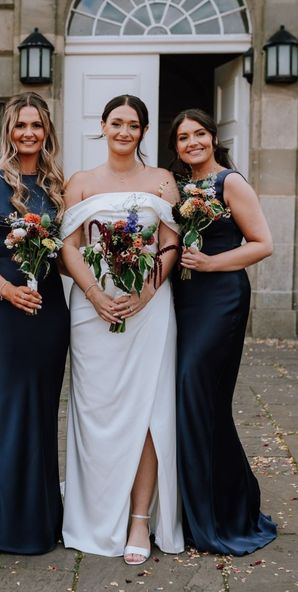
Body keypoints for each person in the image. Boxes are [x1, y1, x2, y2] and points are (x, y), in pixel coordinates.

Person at [60, 94, 184, 564]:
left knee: (148, 408)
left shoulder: (162, 181)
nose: (124, 131)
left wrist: (147, 292)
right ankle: (92, 510)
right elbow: (69, 246)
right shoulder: (81, 182)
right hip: (94, 308)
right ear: (103, 126)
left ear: (144, 132)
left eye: (133, 125)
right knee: (96, 410)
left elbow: (171, 241)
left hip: (149, 305)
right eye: (117, 123)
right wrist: (95, 294)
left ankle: (138, 519)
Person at [0, 92, 69, 554]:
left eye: (37, 126)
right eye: (21, 125)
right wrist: (7, 291)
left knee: (43, 415)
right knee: (7, 415)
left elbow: (64, 258)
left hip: (48, 312)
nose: (28, 133)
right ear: (8, 130)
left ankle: (43, 522)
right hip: (5, 313)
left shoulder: (56, 184)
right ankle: (8, 527)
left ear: (47, 132)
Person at [169, 108, 277, 555]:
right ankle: (215, 504)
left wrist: (212, 262)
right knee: (197, 402)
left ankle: (226, 513)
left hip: (222, 298)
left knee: (196, 388)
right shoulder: (177, 187)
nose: (191, 142)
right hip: (185, 300)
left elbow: (263, 244)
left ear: (213, 138)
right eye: (182, 137)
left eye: (198, 134)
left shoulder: (230, 182)